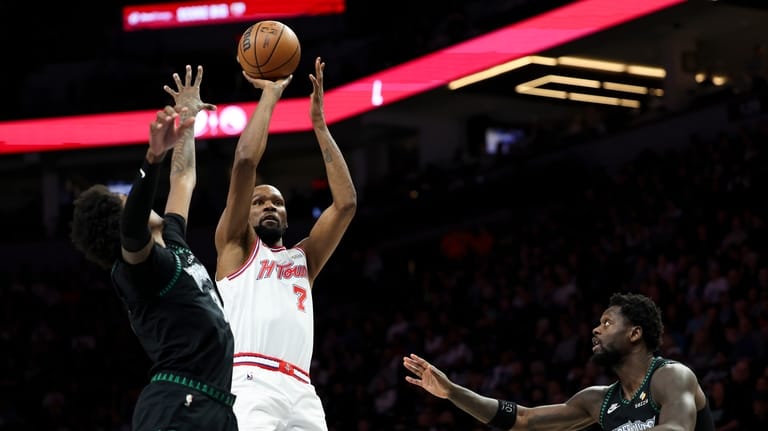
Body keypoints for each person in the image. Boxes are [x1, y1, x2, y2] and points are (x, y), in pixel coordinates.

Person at [70, 65, 238, 431]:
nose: (134, 200)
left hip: (212, 404)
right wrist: (151, 158)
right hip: (178, 405)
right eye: (125, 199)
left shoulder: (172, 241)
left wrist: (188, 122)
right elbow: (132, 228)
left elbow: (184, 177)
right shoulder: (141, 269)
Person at [214, 56, 357, 430]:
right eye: (259, 201)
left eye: (277, 202)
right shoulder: (235, 247)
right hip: (250, 379)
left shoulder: (303, 259)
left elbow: (346, 204)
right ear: (244, 214)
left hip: (302, 389)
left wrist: (320, 125)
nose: (268, 206)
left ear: (287, 217)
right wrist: (271, 95)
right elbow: (245, 161)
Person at [403, 292, 715, 431]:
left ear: (635, 333)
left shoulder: (671, 376)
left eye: (607, 323)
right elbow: (522, 420)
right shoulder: (598, 401)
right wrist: (453, 392)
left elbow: (676, 429)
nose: (595, 329)